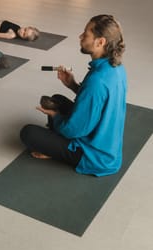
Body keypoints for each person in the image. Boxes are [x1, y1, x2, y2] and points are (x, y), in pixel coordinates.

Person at [20, 15, 127, 176]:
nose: (80, 37)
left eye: (85, 34)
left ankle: (54, 151)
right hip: (105, 142)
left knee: (28, 133)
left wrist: (55, 116)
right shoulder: (115, 67)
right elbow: (98, 101)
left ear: (100, 42)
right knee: (57, 99)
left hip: (94, 156)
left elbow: (74, 130)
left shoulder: (97, 80)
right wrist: (72, 85)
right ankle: (55, 142)